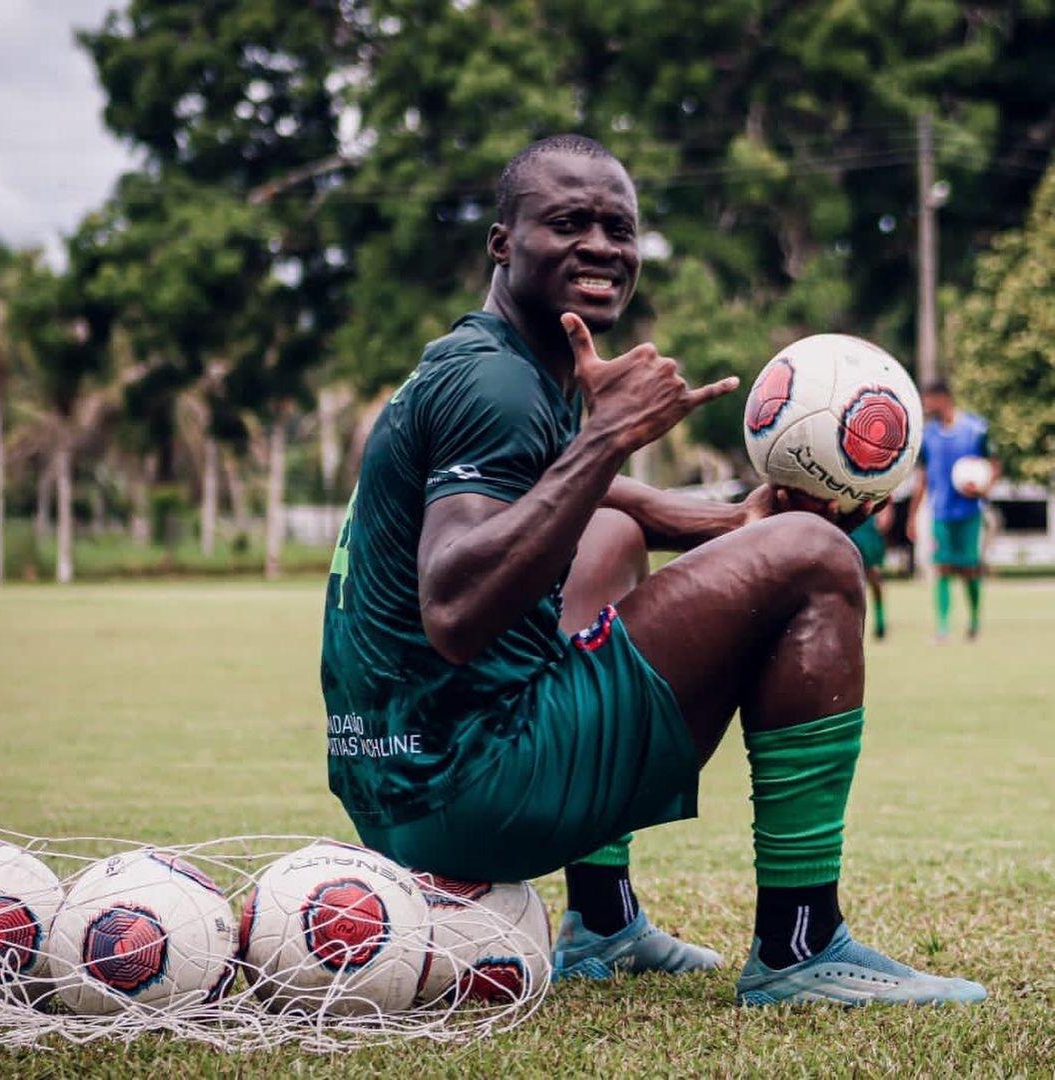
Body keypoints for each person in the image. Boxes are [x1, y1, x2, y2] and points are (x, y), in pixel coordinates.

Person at [320, 135, 986, 1005]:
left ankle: (602, 921)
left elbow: (590, 495)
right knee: (821, 556)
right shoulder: (502, 388)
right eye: (568, 223)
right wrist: (608, 434)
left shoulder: (481, 363)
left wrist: (730, 521)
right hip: (478, 790)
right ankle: (801, 944)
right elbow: (453, 606)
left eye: (619, 228)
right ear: (502, 242)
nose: (601, 246)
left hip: (394, 786)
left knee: (600, 532)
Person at [906, 380, 999, 641]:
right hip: (940, 512)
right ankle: (943, 628)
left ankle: (974, 622)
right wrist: (912, 516)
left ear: (943, 398)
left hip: (969, 512)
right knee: (943, 567)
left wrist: (983, 485)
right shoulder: (928, 435)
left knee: (969, 568)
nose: (926, 406)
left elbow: (994, 465)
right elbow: (922, 478)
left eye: (929, 400)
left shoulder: (976, 429)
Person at [850, 504, 894, 639]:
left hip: (869, 530)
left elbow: (885, 493)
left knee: (875, 578)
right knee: (849, 581)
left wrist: (886, 514)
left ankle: (880, 623)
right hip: (849, 527)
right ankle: (851, 626)